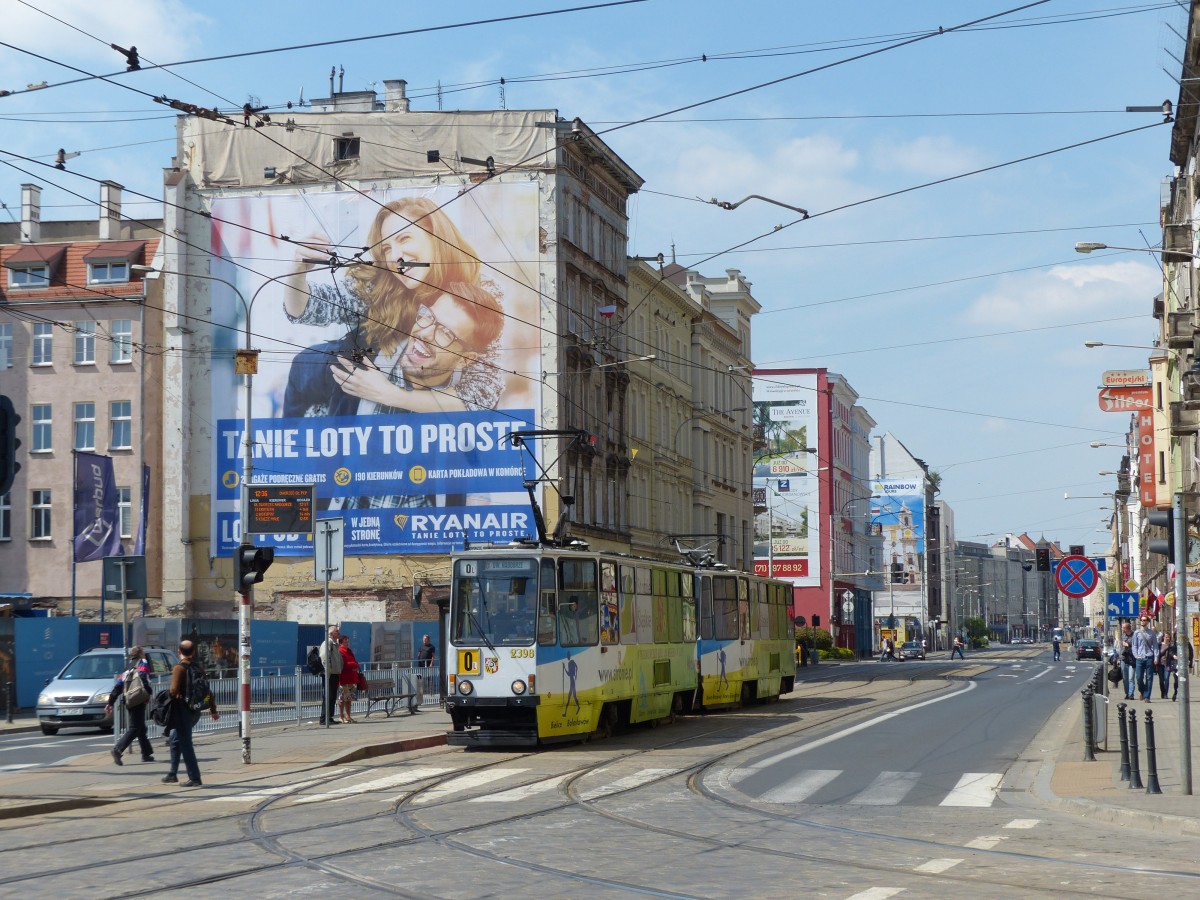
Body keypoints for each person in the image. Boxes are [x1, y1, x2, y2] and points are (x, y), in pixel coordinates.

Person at [162, 640, 219, 787]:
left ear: (179, 652)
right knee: (175, 740)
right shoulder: (198, 668)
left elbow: (173, 691)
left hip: (183, 711)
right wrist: (213, 710)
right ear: (193, 652)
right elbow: (208, 691)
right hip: (195, 710)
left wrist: (164, 699)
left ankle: (195, 778)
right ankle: (172, 774)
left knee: (186, 744)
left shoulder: (179, 669)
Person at [104, 646, 154, 765]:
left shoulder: (127, 668)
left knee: (141, 727)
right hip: (138, 699)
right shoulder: (142, 663)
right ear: (141, 653)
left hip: (129, 700)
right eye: (143, 652)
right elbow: (143, 675)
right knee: (135, 728)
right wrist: (148, 693)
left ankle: (146, 753)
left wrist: (110, 702)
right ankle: (118, 750)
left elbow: (118, 686)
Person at [317, 625, 345, 725]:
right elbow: (324, 658)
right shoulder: (327, 643)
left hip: (334, 673)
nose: (339, 633)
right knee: (328, 696)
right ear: (331, 633)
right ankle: (324, 718)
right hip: (329, 674)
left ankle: (329, 717)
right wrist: (328, 671)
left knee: (332, 696)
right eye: (337, 631)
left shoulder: (334, 644)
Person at [1131, 616, 1160, 702]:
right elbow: (1134, 646)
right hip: (1140, 658)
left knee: (1149, 678)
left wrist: (1156, 657)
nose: (1142, 622)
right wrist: (1136, 656)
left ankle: (1147, 697)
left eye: (1144, 620)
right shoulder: (1136, 633)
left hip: (1149, 657)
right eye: (1141, 620)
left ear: (1148, 622)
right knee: (1139, 677)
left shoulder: (1152, 633)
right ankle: (1143, 691)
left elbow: (1155, 646)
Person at [337, 634, 361, 724]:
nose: (347, 643)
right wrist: (353, 665)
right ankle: (341, 716)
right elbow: (344, 664)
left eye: (348, 641)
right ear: (341, 642)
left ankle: (348, 716)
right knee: (342, 699)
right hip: (344, 678)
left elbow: (355, 662)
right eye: (345, 641)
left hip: (352, 678)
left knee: (349, 698)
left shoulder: (349, 651)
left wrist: (354, 664)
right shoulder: (340, 651)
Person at [1120, 621, 1136, 700]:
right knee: (1125, 678)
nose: (1122, 629)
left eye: (1123, 628)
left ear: (1127, 628)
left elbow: (1136, 646)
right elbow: (1121, 648)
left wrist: (1128, 645)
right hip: (1124, 659)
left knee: (1131, 678)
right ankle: (1127, 693)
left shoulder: (1134, 635)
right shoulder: (1123, 636)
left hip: (1132, 659)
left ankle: (1131, 694)